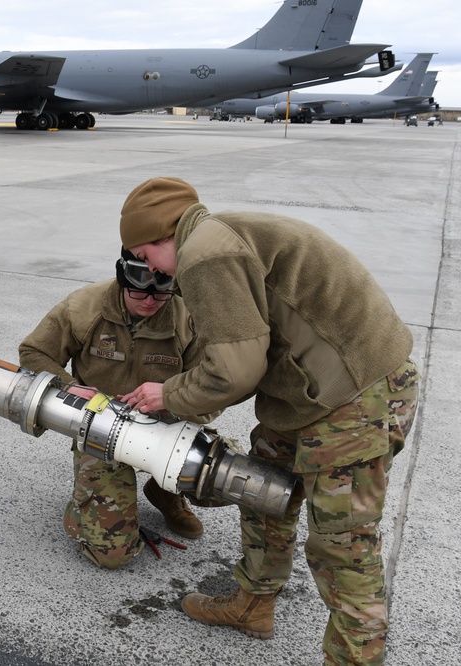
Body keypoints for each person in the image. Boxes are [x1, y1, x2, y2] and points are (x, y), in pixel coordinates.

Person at [120, 177, 420, 664]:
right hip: (308, 391)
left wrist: (168, 394)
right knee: (259, 489)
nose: (149, 270)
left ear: (161, 236)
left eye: (145, 254)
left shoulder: (206, 254)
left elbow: (234, 371)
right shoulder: (221, 233)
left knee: (342, 545)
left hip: (356, 396)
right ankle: (253, 605)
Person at [19, 244, 214, 568]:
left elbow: (212, 381)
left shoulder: (188, 316)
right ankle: (85, 505)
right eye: (139, 293)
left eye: (160, 294)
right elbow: (34, 352)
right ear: (123, 280)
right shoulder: (83, 308)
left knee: (224, 480)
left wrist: (172, 397)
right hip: (101, 428)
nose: (150, 301)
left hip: (167, 425)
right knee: (112, 554)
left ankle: (164, 490)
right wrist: (69, 387)